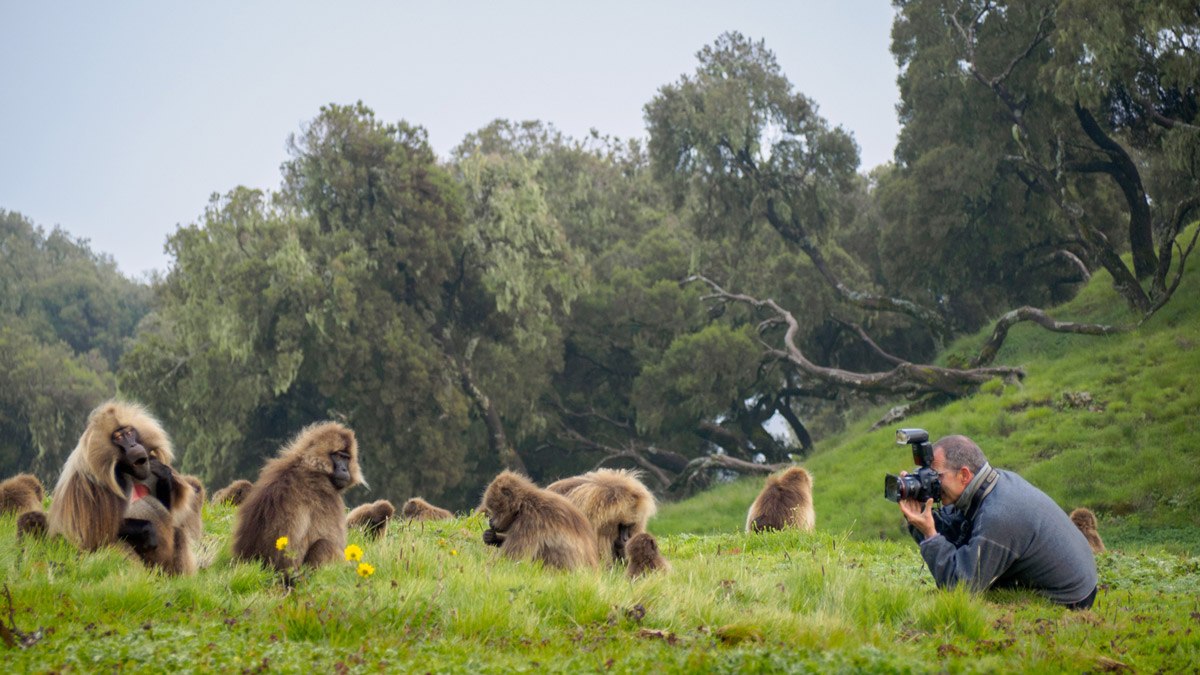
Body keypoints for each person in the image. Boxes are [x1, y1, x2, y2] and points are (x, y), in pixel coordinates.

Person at [898, 435, 1098, 609]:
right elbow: (959, 532)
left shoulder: (998, 515)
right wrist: (920, 512)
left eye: (936, 476)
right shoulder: (994, 483)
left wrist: (931, 535)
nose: (932, 483)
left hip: (1070, 599)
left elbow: (961, 587)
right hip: (1077, 580)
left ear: (964, 475)